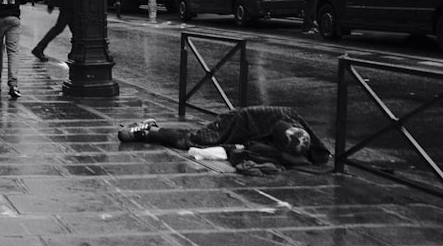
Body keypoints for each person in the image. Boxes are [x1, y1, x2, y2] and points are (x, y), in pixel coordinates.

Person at [118, 105, 331, 175]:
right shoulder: (282, 125)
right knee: (193, 140)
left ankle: (151, 130)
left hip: (245, 125)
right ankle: (148, 131)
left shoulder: (293, 128)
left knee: (195, 139)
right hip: (238, 122)